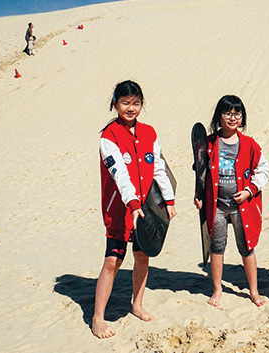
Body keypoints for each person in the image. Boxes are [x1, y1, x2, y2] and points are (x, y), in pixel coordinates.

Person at [92, 80, 177, 339]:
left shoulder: (150, 133)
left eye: (136, 103)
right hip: (121, 209)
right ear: (115, 104)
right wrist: (132, 204)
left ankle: (137, 304)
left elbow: (159, 167)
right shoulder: (109, 137)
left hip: (146, 209)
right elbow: (119, 174)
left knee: (142, 256)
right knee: (113, 261)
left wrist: (168, 200)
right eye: (125, 103)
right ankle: (98, 318)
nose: (131, 108)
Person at [194, 95, 269, 307]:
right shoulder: (209, 143)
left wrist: (249, 190)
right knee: (217, 247)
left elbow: (264, 170)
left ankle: (254, 291)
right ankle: (217, 290)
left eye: (237, 113)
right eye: (228, 113)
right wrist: (198, 195)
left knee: (246, 247)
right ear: (220, 116)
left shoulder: (249, 144)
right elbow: (200, 173)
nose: (233, 117)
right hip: (217, 207)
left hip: (241, 207)